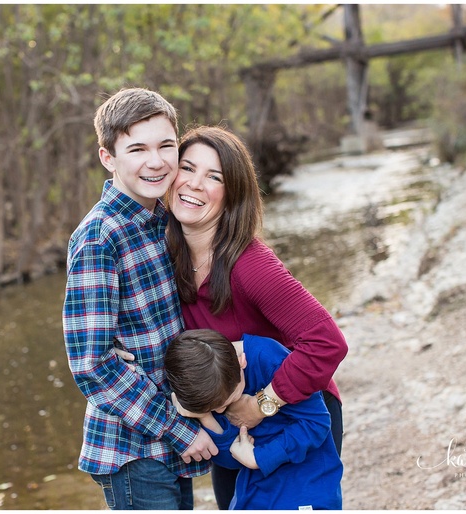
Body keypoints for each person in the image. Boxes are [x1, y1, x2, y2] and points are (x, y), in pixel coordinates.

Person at [166, 125, 348, 509]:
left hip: (295, 414)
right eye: (188, 167)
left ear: (231, 195)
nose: (195, 184)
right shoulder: (165, 258)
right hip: (229, 417)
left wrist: (263, 404)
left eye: (213, 177)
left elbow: (327, 343)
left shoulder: (250, 265)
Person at [62, 88, 216, 510]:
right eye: (137, 149)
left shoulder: (162, 218)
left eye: (167, 145)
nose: (156, 160)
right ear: (108, 158)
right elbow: (92, 365)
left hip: (164, 439)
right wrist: (180, 430)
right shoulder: (100, 236)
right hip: (132, 448)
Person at [165, 328, 343, 510]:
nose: (221, 409)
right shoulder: (207, 388)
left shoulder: (267, 358)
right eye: (213, 409)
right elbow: (232, 459)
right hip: (253, 494)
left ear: (241, 362)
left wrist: (259, 457)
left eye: (228, 402)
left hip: (305, 488)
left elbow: (317, 423)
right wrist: (205, 416)